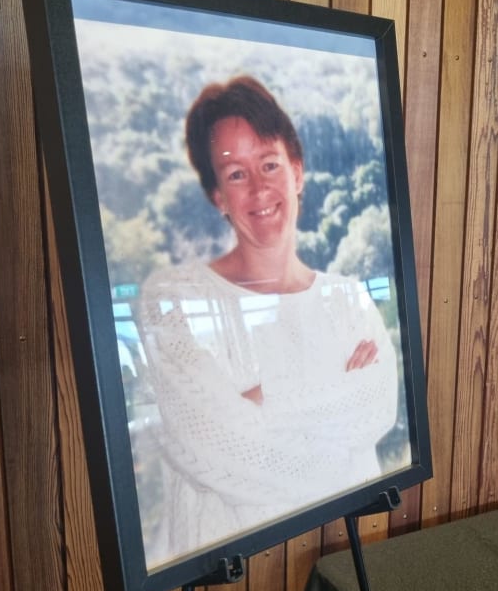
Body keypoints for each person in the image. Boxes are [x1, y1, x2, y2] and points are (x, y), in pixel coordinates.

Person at [138, 75, 398, 565]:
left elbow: (377, 409)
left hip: (336, 551)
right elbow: (216, 449)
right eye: (235, 174)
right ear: (217, 196)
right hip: (222, 583)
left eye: (270, 164)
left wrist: (259, 402)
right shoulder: (172, 302)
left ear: (297, 172)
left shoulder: (348, 297)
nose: (258, 188)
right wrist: (332, 388)